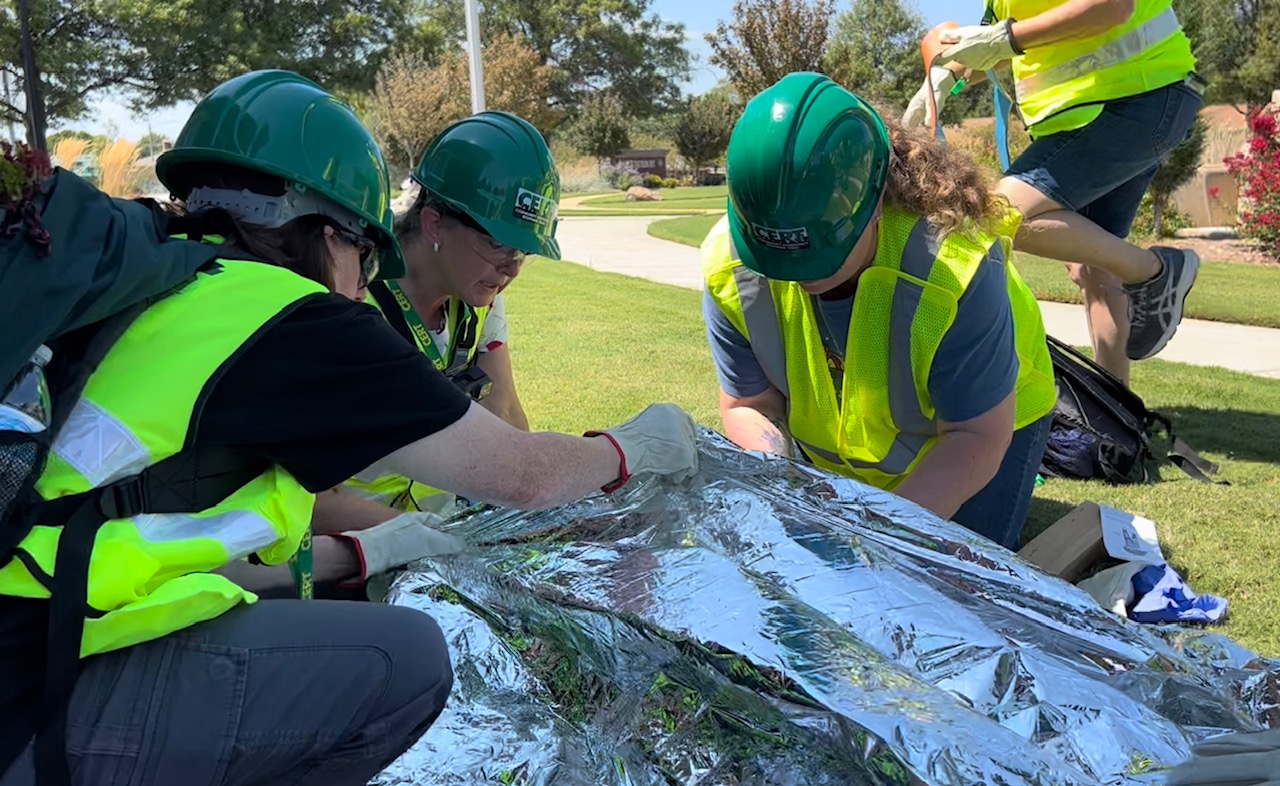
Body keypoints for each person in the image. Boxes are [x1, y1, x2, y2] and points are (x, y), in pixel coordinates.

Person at [0, 70, 698, 785]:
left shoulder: (170, 280)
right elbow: (526, 474)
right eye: (363, 255)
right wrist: (635, 446)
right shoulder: (286, 315)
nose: (362, 283)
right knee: (409, 659)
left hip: (42, 636)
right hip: (34, 696)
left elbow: (139, 542)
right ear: (326, 229)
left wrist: (354, 555)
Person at [702, 72, 1056, 550]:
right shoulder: (729, 263)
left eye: (819, 257)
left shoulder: (955, 264)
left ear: (876, 206)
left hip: (982, 425)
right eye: (778, 262)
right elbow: (750, 405)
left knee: (944, 587)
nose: (798, 279)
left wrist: (879, 536)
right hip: (871, 444)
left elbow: (973, 435)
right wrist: (778, 479)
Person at [902, 0, 1203, 385]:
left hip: (1142, 100)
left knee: (994, 211)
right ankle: (1118, 425)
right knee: (1096, 272)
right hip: (1088, 117)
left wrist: (1005, 38)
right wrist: (944, 66)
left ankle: (1155, 273)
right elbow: (988, 52)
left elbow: (1112, 8)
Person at [343, 111, 559, 517]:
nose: (512, 269)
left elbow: (504, 409)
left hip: (435, 540)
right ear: (434, 224)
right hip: (352, 551)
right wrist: (420, 541)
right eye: (499, 245)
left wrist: (532, 507)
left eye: (522, 252)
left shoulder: (478, 299)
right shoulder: (349, 300)